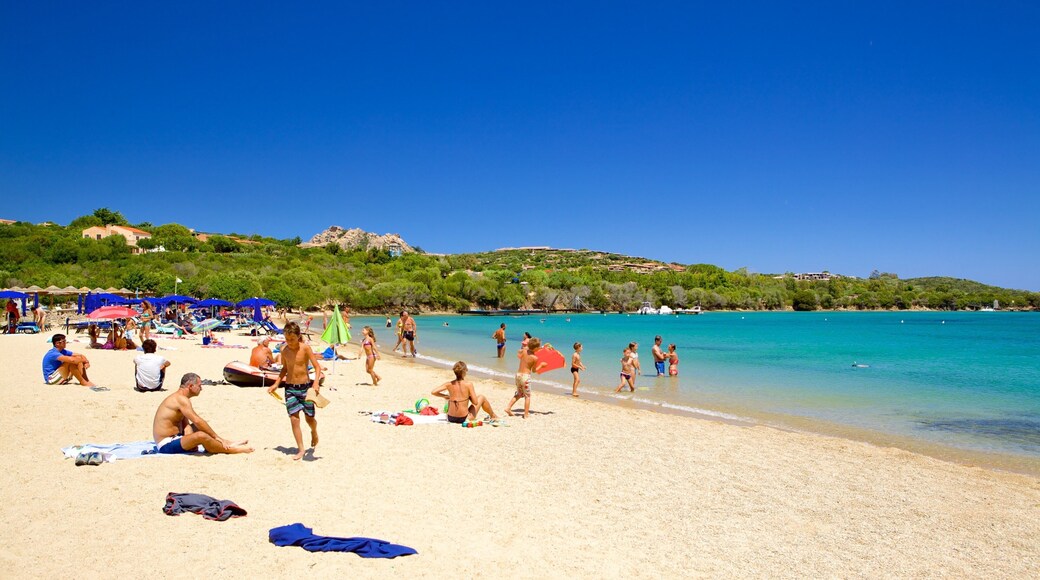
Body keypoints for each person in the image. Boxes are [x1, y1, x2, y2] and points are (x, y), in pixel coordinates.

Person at [152, 372, 253, 455]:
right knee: (201, 435)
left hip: (175, 437)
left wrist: (190, 441)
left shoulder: (180, 398)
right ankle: (231, 449)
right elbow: (197, 420)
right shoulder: (181, 399)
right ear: (191, 386)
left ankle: (228, 443)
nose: (201, 388)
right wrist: (216, 437)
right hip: (165, 445)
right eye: (199, 386)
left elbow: (186, 424)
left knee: (201, 428)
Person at [267, 322, 323, 461]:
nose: (289, 342)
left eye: (292, 339)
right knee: (294, 419)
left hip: (305, 388)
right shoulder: (284, 351)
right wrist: (276, 383)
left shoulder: (305, 349)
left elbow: (317, 367)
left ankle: (314, 431)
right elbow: (284, 369)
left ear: (298, 336)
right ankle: (301, 449)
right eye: (287, 339)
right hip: (290, 388)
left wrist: (316, 383)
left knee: (309, 418)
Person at [431, 361, 499, 424]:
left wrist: (445, 396)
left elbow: (433, 392)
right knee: (481, 397)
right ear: (465, 371)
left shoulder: (449, 384)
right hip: (463, 419)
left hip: (450, 418)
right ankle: (493, 415)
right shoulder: (468, 384)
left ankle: (493, 415)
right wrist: (468, 396)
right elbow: (475, 402)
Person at [505, 337, 546, 419]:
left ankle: (508, 407)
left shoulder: (524, 351)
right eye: (539, 347)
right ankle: (526, 414)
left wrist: (541, 347)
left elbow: (527, 348)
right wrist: (541, 365)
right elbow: (534, 370)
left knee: (519, 394)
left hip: (518, 375)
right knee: (527, 396)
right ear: (536, 348)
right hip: (525, 377)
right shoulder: (535, 358)